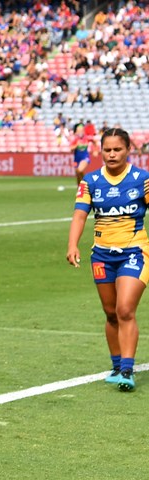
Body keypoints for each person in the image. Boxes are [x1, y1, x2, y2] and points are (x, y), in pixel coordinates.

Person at [66, 127, 149, 392]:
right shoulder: (90, 181)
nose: (112, 154)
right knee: (111, 313)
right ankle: (116, 365)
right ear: (100, 151)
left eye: (117, 149)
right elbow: (80, 215)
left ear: (128, 150)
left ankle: (127, 369)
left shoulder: (142, 179)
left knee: (125, 309)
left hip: (135, 251)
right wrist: (72, 245)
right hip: (101, 254)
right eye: (107, 150)